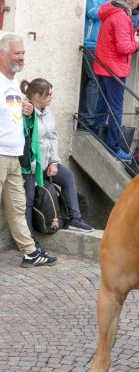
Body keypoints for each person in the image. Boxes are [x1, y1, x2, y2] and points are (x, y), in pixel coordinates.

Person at [0, 34, 57, 267]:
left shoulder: (14, 82)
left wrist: (24, 110)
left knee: (16, 206)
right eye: (17, 53)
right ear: (2, 54)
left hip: (14, 155)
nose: (22, 57)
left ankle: (30, 251)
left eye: (23, 53)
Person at [20, 78, 94, 235]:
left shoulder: (47, 111)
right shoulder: (25, 112)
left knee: (67, 177)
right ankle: (28, 236)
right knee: (29, 198)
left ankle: (75, 219)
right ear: (38, 96)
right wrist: (34, 168)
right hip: (31, 167)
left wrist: (54, 162)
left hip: (47, 163)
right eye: (49, 95)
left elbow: (53, 137)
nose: (52, 97)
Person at [93, 0, 139, 162]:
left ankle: (96, 135)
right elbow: (123, 47)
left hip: (104, 65)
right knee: (115, 108)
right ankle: (114, 147)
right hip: (114, 69)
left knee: (102, 104)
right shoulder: (122, 16)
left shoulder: (111, 11)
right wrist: (135, 43)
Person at [80, 0, 106, 130]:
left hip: (99, 43)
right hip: (89, 42)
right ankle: (88, 120)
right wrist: (109, 4)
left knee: (94, 81)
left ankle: (88, 117)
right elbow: (92, 12)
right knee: (94, 80)